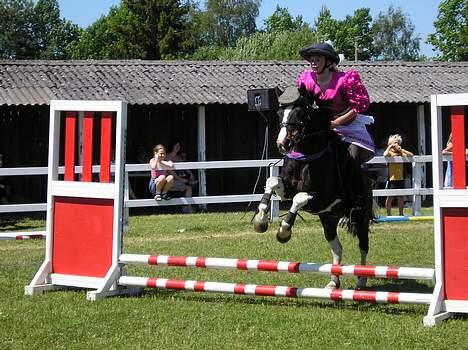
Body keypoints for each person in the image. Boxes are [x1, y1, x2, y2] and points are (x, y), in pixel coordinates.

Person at [296, 42, 375, 217]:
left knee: (352, 155)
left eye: (317, 59)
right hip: (321, 128)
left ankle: (356, 199)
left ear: (329, 61)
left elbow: (357, 108)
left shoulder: (346, 79)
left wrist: (336, 123)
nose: (313, 62)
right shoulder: (305, 79)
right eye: (311, 59)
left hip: (348, 126)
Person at [383, 134, 414, 216]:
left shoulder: (401, 152)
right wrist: (390, 147)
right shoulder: (390, 152)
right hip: (392, 178)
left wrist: (401, 150)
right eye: (395, 142)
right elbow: (385, 155)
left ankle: (401, 214)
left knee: (400, 197)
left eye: (398, 143)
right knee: (390, 197)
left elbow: (411, 155)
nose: (397, 144)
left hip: (400, 177)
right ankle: (388, 214)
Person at [167, 139, 198, 212]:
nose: (178, 147)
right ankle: (189, 208)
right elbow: (170, 172)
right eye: (176, 145)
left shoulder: (178, 158)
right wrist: (181, 179)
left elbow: (184, 167)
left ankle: (185, 207)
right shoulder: (167, 157)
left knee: (192, 185)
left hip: (179, 178)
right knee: (189, 187)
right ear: (172, 146)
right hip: (170, 181)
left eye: (179, 146)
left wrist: (191, 174)